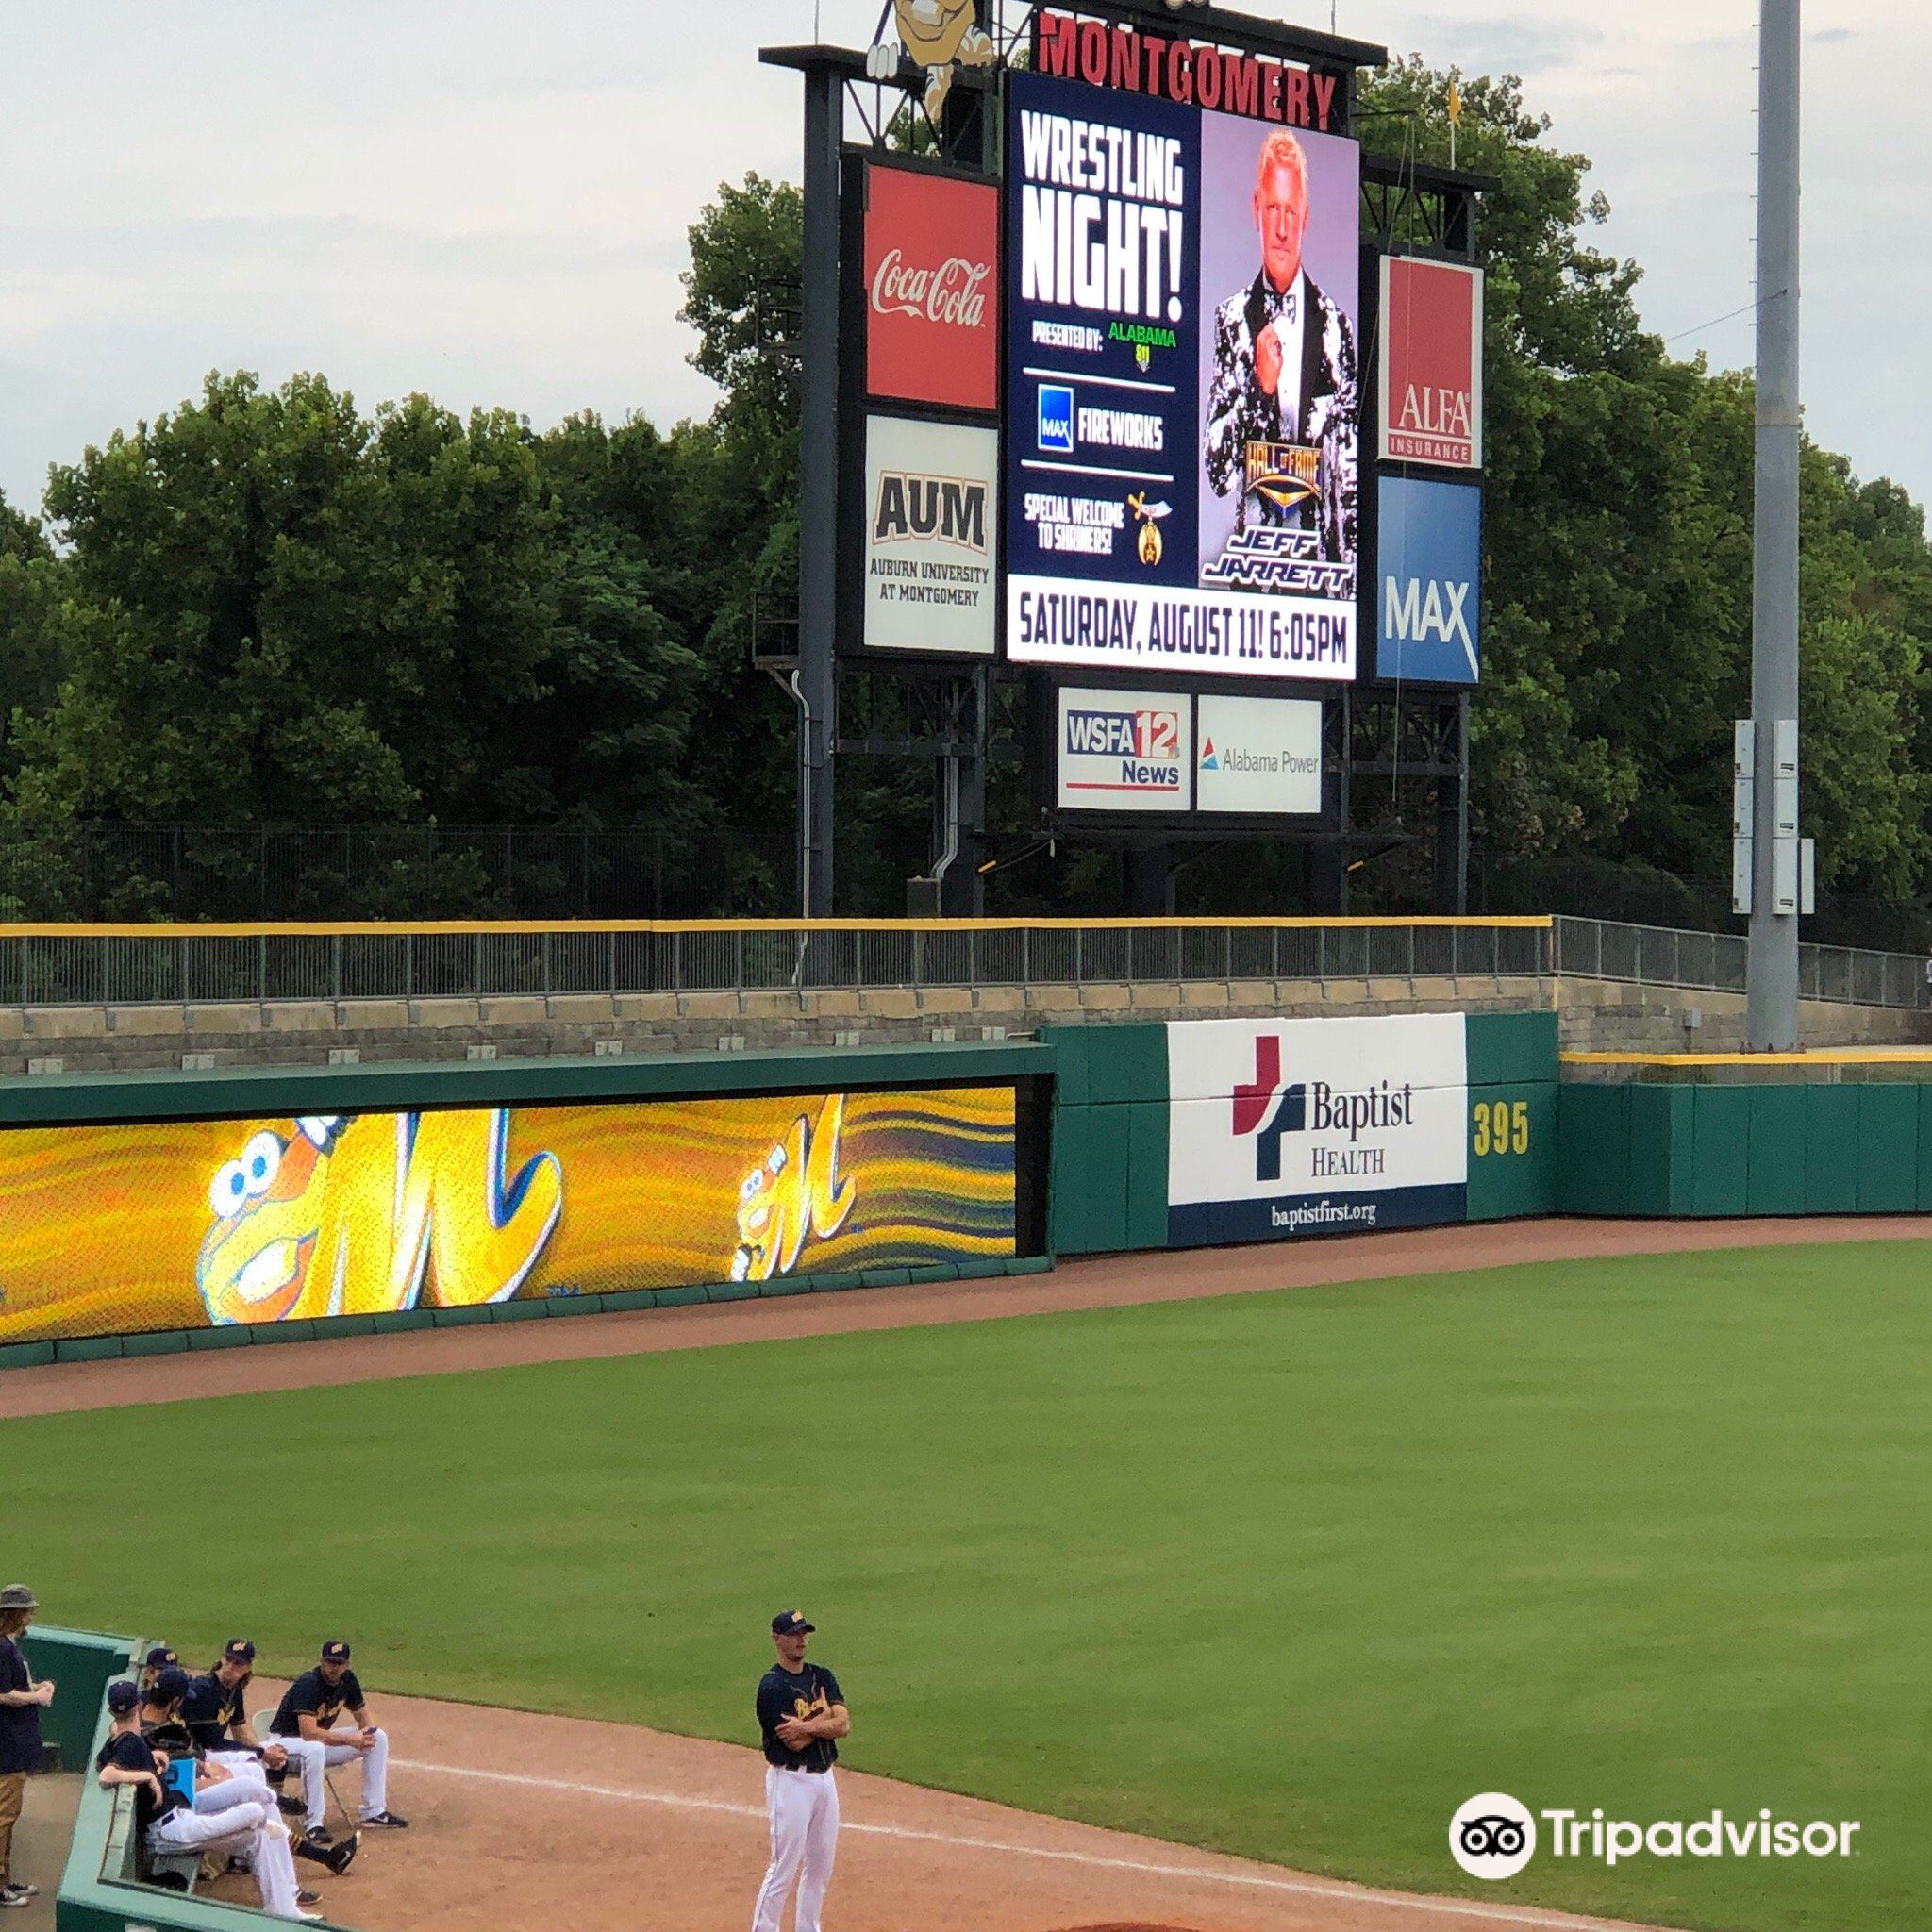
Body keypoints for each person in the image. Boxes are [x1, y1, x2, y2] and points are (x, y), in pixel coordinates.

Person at [1204, 128, 1358, 567]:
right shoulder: (1231, 320)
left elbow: (1352, 476)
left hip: (1321, 579)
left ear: (1306, 217)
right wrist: (1259, 388)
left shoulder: (1335, 327)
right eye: (1273, 208)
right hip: (1253, 568)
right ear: (1256, 210)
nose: (1283, 228)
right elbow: (1216, 472)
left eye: (1292, 211)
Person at [96, 1679, 316, 1922]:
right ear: (138, 1706)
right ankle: (277, 1816)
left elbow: (108, 1756)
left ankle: (282, 1909)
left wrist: (152, 1755)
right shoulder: (129, 1742)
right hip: (170, 1831)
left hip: (180, 1817)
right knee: (254, 1812)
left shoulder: (122, 1739)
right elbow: (107, 1775)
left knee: (254, 1809)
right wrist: (147, 1776)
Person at [750, 1610, 849, 1932]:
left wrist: (809, 1726)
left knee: (820, 1869)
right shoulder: (772, 1687)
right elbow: (793, 1742)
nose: (801, 1639)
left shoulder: (822, 1676)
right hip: (790, 1781)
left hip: (825, 1780)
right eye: (794, 1634)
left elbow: (843, 1725)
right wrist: (824, 1724)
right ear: (777, 1639)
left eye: (804, 1633)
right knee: (783, 1868)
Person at [270, 1641, 406, 1843]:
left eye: (338, 1663)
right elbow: (308, 1733)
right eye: (329, 1662)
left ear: (347, 1664)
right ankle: (313, 1823)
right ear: (321, 1661)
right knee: (314, 1748)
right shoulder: (309, 1684)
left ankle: (373, 1811)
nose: (334, 1668)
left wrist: (366, 1734)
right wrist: (352, 1740)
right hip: (284, 1748)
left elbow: (363, 1717)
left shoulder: (348, 1681)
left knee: (378, 1737)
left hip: (316, 1745)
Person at [183, 1640, 303, 1812]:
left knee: (261, 1756)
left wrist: (264, 1750)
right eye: (228, 1659)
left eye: (238, 1663)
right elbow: (213, 1742)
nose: (230, 1666)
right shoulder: (204, 1690)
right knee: (253, 1763)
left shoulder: (234, 1689)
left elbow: (239, 1729)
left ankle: (272, 1799)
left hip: (211, 1750)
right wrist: (262, 1753)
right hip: (197, 1753)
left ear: (248, 1667)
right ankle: (272, 1801)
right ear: (222, 1658)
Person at [0, 1586, 54, 1911]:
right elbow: (3, 1694)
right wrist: (35, 1697)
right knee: (3, 1816)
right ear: (14, 1615)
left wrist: (35, 1688)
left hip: (13, 1743)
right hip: (5, 1746)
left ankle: (4, 1878)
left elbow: (13, 1687)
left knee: (9, 1814)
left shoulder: (9, 1647)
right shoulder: (2, 1648)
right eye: (27, 1611)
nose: (31, 1615)